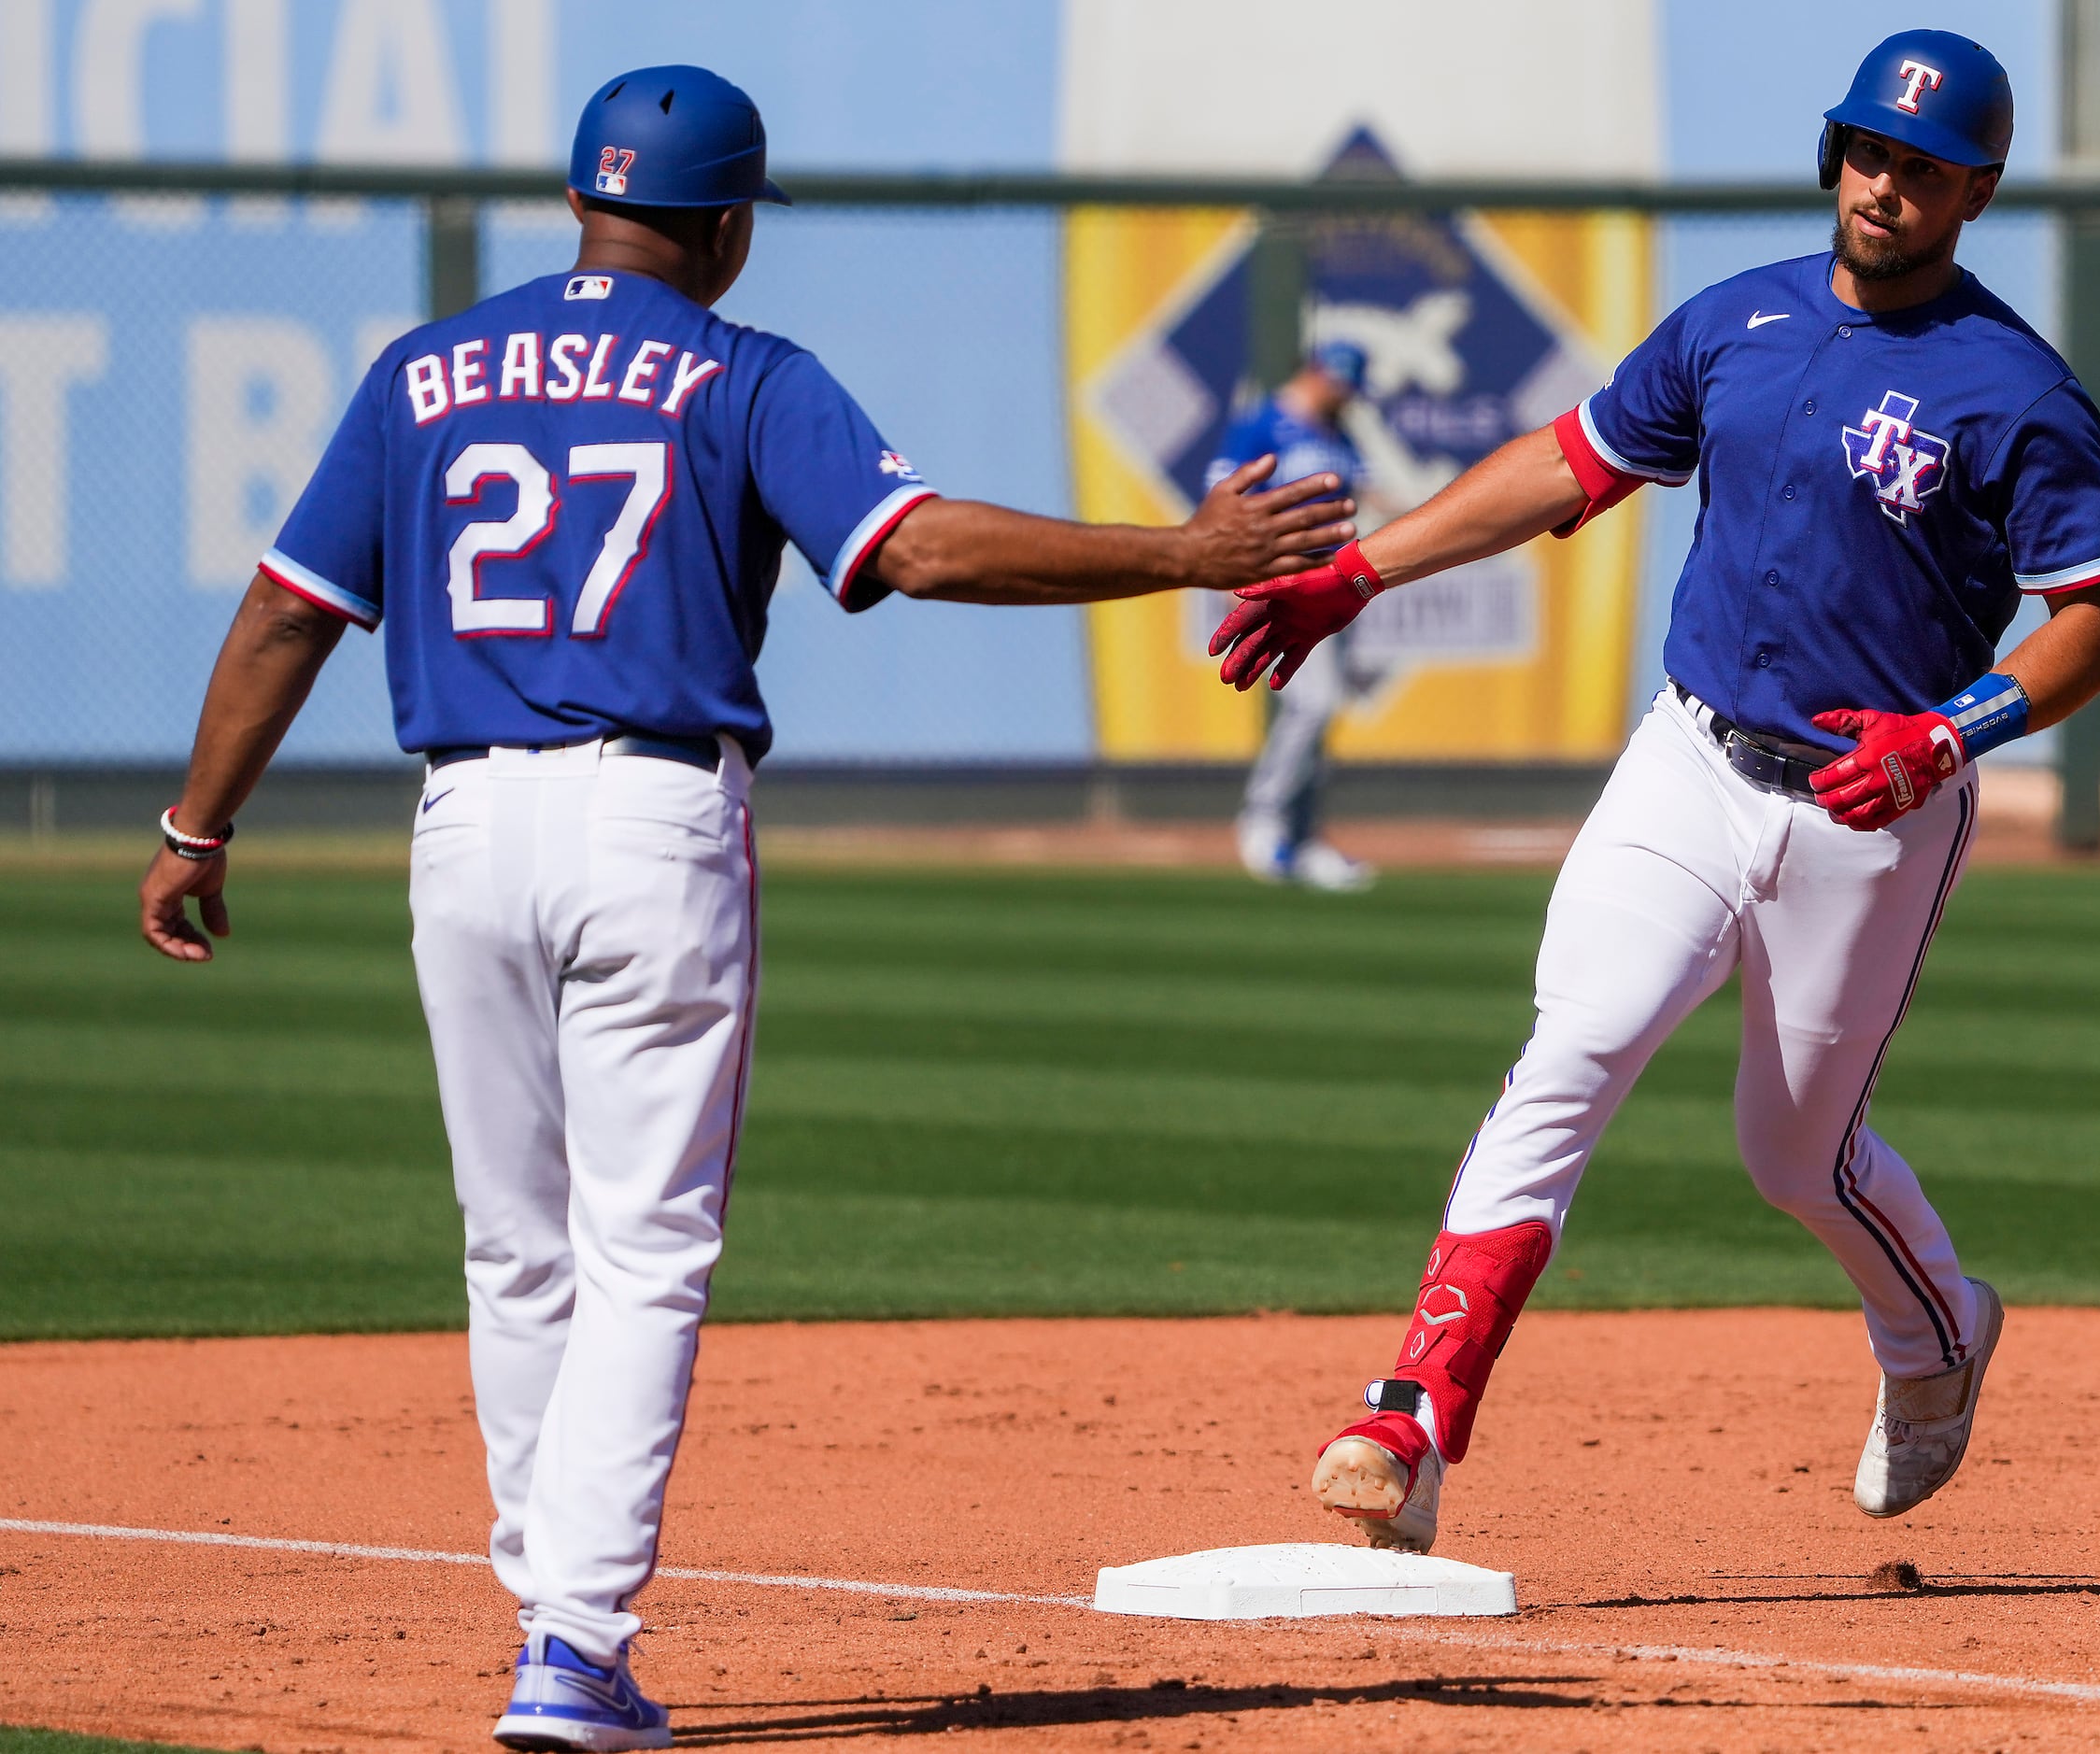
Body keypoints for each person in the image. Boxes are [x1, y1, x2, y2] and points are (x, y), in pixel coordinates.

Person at [136, 66, 1352, 1750]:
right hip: (650, 815)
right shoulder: (737, 367)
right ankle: (570, 1640)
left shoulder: (422, 372)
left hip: (462, 823)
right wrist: (1183, 552)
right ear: (722, 225)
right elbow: (915, 549)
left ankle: (542, 1594)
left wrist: (199, 822)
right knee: (647, 1247)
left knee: (516, 1243)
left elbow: (289, 614)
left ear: (582, 199)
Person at [1213, 30, 2100, 1554]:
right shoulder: (1740, 322)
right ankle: (1415, 1411)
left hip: (1873, 806)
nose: (1883, 184)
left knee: (1794, 1153)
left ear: (1976, 190)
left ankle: (1938, 1336)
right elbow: (1562, 463)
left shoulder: (2017, 391)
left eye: (1921, 166)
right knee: (1570, 1046)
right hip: (1693, 759)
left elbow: (2097, 619)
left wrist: (1955, 732)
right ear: (1832, 155)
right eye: (1865, 151)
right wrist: (1357, 572)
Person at [1205, 342, 1382, 891]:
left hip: (1329, 581)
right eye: (1342, 383)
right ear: (1319, 374)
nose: (1347, 396)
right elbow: (1224, 496)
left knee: (1320, 713)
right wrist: (1229, 576)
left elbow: (1364, 494)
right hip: (1276, 577)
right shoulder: (1264, 423)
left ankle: (1303, 839)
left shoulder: (1339, 434)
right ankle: (1264, 819)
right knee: (1312, 703)